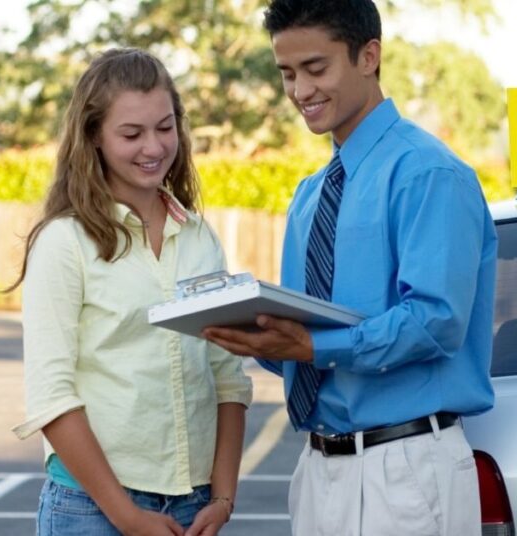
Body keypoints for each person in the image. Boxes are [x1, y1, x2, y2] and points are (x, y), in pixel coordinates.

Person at [202, 1, 497, 534]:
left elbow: (435, 321)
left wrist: (312, 347)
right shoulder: (309, 196)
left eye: (316, 69)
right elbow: (304, 347)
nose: (300, 91)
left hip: (408, 469)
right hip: (317, 472)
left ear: (369, 56)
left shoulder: (429, 173)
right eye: (287, 74)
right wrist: (255, 335)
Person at [8, 48, 252, 536]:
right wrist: (127, 517)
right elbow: (52, 399)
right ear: (94, 137)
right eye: (131, 133)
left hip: (196, 506)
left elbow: (228, 378)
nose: (154, 147)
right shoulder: (64, 243)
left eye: (165, 127)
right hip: (92, 512)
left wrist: (223, 497)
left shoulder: (201, 238)